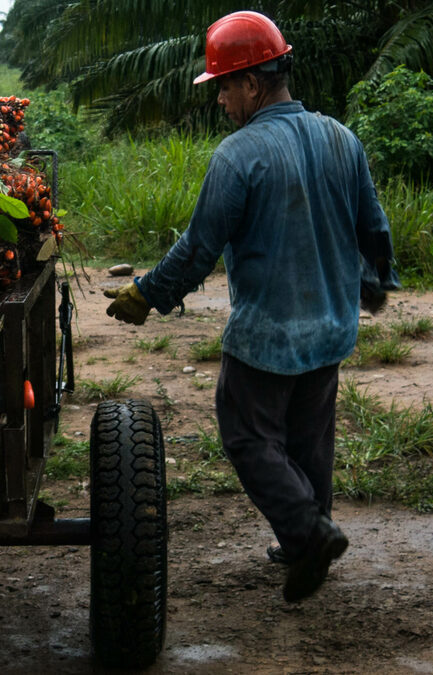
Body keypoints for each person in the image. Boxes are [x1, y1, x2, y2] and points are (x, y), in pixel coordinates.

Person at [104, 10, 399, 603]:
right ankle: (304, 540)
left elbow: (197, 249)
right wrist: (373, 283)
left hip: (269, 334)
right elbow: (374, 226)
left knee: (247, 435)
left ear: (254, 84)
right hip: (330, 328)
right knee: (310, 439)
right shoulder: (343, 137)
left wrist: (148, 294)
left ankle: (309, 534)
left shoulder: (239, 155)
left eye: (224, 88)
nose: (221, 101)